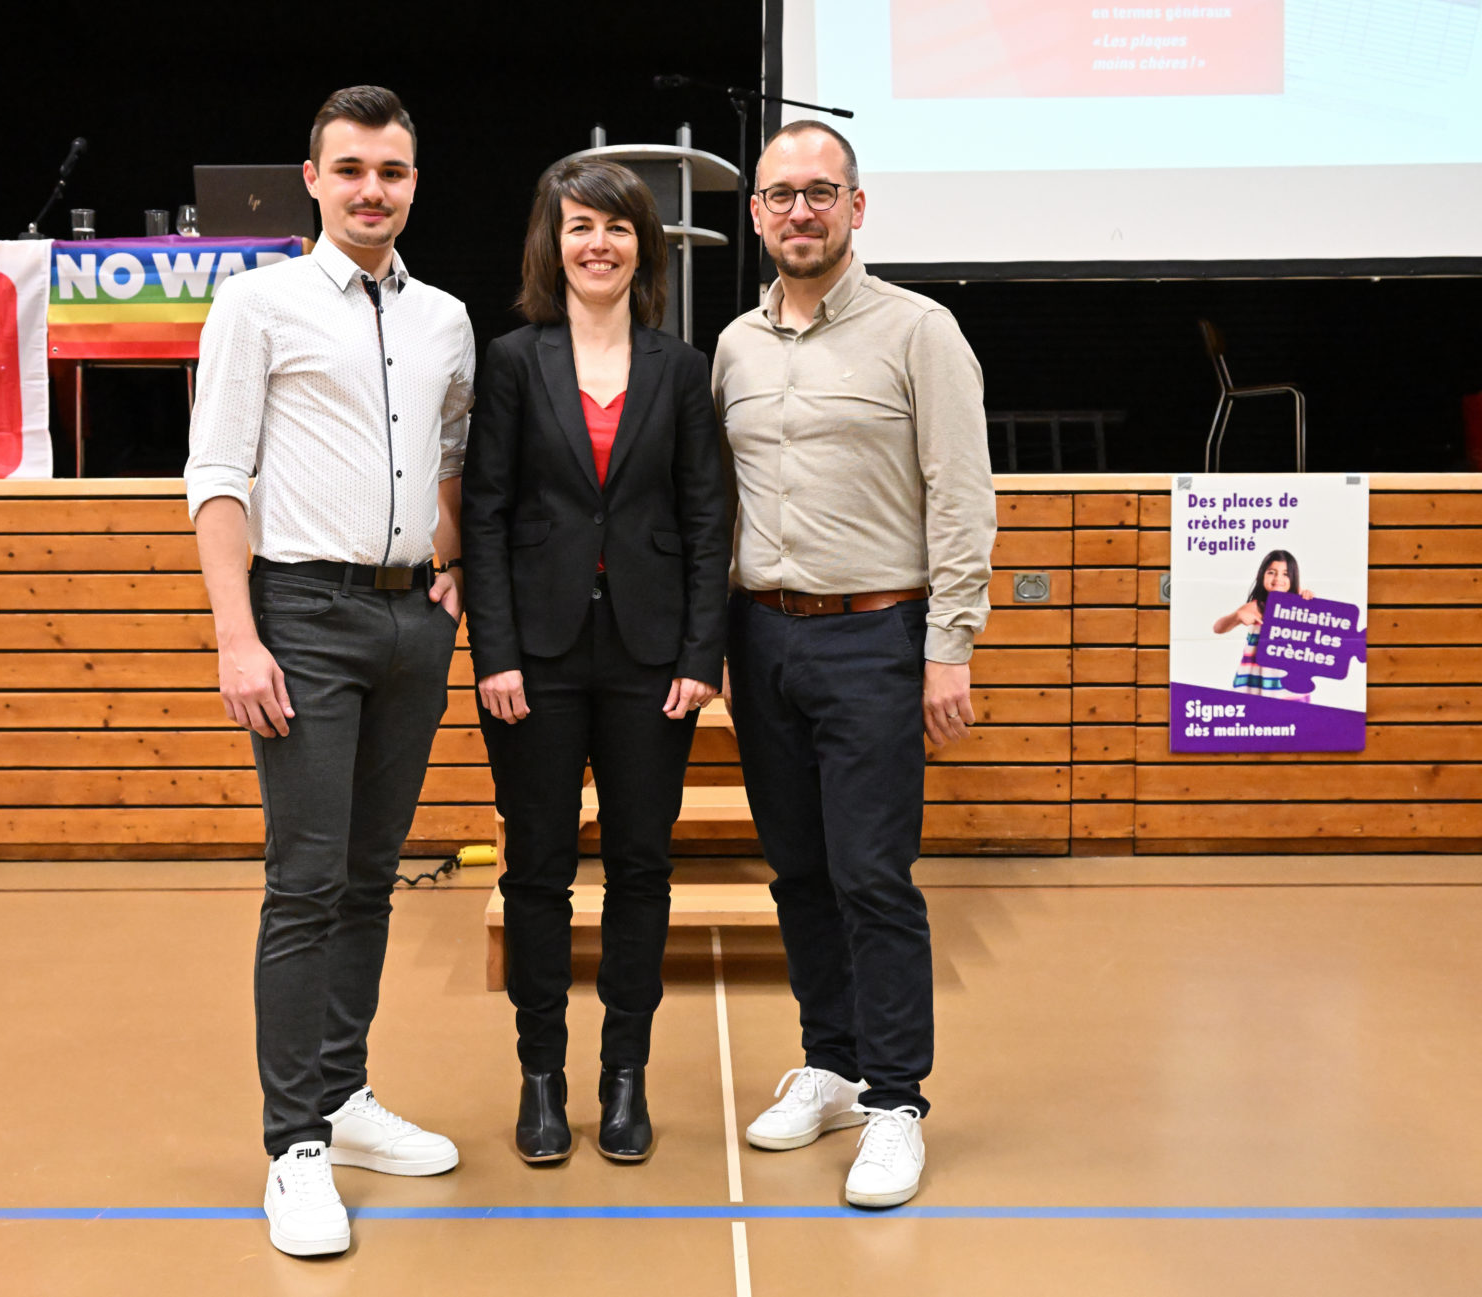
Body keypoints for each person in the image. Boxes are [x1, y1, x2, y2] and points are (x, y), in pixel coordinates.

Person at [184, 85, 473, 1259]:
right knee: (303, 882)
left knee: (369, 876)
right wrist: (235, 633)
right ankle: (294, 1143)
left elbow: (450, 461)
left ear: (414, 182)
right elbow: (216, 473)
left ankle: (345, 1095)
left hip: (413, 625)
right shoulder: (256, 304)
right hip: (298, 613)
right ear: (312, 179)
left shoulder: (447, 318)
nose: (371, 190)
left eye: (392, 171)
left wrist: (451, 563)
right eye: (350, 168)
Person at [713, 121, 996, 1209]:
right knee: (798, 872)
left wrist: (946, 648)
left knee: (874, 876)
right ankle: (830, 1063)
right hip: (763, 638)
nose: (800, 211)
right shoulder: (734, 346)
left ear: (857, 207)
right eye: (781, 195)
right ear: (756, 215)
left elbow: (962, 499)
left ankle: (896, 1101)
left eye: (820, 193)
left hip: (878, 636)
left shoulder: (920, 332)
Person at [462, 159, 729, 1165]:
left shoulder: (681, 366)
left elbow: (708, 519)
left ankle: (626, 1077)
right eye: (580, 226)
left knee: (640, 868)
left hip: (653, 659)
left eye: (617, 228)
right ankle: (542, 1077)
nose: (598, 245)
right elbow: (483, 517)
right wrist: (494, 651)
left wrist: (702, 652)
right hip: (532, 657)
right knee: (535, 873)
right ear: (553, 240)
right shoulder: (514, 360)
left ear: (641, 246)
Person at [1214, 549, 1316, 700]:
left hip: (1291, 688)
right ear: (1261, 575)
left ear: (1293, 578)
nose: (1278, 578)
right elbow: (1218, 628)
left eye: (1285, 574)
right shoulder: (1256, 607)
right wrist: (1236, 616)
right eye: (1271, 572)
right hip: (1257, 685)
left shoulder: (1299, 607)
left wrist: (1310, 603)